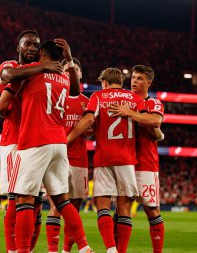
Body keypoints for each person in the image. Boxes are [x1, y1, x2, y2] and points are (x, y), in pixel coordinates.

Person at [6, 40, 93, 253]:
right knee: (62, 200)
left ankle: (23, 251)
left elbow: (7, 75)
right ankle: (83, 246)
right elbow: (75, 89)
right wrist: (69, 60)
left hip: (34, 140)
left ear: (42, 55)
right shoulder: (64, 78)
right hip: (59, 143)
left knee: (24, 198)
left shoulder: (31, 72)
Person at [68, 67, 161, 253]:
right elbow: (149, 121)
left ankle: (111, 249)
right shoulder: (134, 99)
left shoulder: (97, 97)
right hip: (127, 160)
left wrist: (67, 139)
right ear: (122, 81)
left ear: (104, 82)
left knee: (103, 207)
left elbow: (87, 121)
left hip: (104, 158)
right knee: (124, 209)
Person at [0, 30, 65, 253]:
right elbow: (8, 75)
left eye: (36, 45)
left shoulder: (41, 72)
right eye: (27, 44)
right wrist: (44, 67)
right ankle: (11, 250)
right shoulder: (12, 65)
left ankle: (28, 249)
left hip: (38, 141)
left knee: (36, 202)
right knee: (16, 199)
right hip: (14, 140)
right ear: (18, 47)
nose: (32, 48)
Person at [109, 65, 165, 252]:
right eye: (133, 77)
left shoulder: (154, 103)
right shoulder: (125, 101)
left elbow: (156, 121)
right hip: (125, 162)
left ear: (149, 82)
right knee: (121, 208)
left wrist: (132, 114)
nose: (134, 81)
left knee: (151, 209)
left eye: (140, 78)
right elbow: (156, 131)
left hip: (146, 164)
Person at [45, 58, 90, 253]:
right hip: (56, 158)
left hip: (79, 159)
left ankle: (66, 250)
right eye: (66, 70)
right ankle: (53, 250)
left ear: (79, 75)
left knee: (75, 209)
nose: (71, 72)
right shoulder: (54, 98)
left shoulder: (86, 103)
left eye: (75, 69)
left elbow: (92, 128)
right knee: (56, 206)